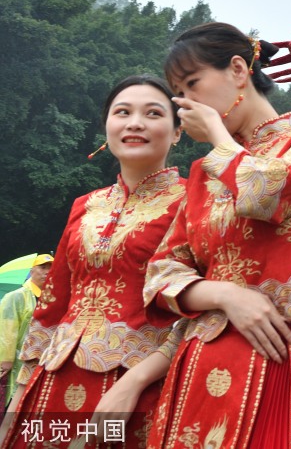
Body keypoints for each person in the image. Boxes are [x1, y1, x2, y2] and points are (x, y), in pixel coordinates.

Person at [144, 22, 291, 449]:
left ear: (238, 69)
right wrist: (225, 295)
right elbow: (161, 273)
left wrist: (217, 137)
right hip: (203, 356)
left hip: (283, 354)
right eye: (177, 91)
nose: (184, 102)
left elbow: (262, 193)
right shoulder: (203, 174)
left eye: (192, 84)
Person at [0, 76, 186, 448]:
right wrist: (15, 407)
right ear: (107, 127)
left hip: (142, 388)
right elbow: (53, 306)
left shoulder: (194, 201)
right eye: (123, 112)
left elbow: (198, 312)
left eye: (153, 113)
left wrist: (135, 382)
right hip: (53, 381)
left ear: (178, 131)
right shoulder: (85, 205)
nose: (135, 123)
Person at [0, 255, 53, 406]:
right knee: (12, 399)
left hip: (44, 358)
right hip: (18, 359)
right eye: (43, 268)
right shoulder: (16, 297)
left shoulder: (52, 299)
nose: (47, 272)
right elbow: (6, 330)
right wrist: (6, 360)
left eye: (51, 269)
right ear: (32, 271)